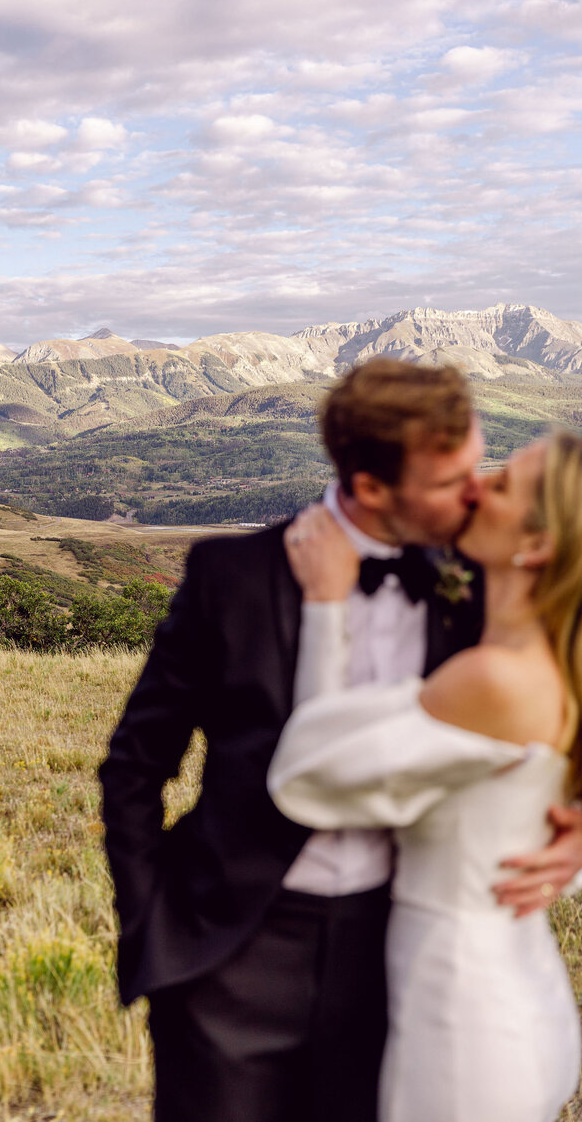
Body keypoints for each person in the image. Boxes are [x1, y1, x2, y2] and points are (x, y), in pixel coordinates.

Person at [99, 358, 582, 1122]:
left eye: (480, 466)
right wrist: (150, 917)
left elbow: (561, 694)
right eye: (450, 479)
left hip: (397, 954)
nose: (474, 490)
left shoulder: (488, 573)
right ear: (370, 488)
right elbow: (134, 763)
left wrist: (575, 827)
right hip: (232, 950)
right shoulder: (232, 574)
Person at [268, 430, 582, 1121]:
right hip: (517, 980)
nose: (477, 485)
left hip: (460, 1006)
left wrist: (327, 602)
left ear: (536, 548)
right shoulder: (554, 661)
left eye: (501, 486)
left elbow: (307, 771)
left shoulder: (493, 680)